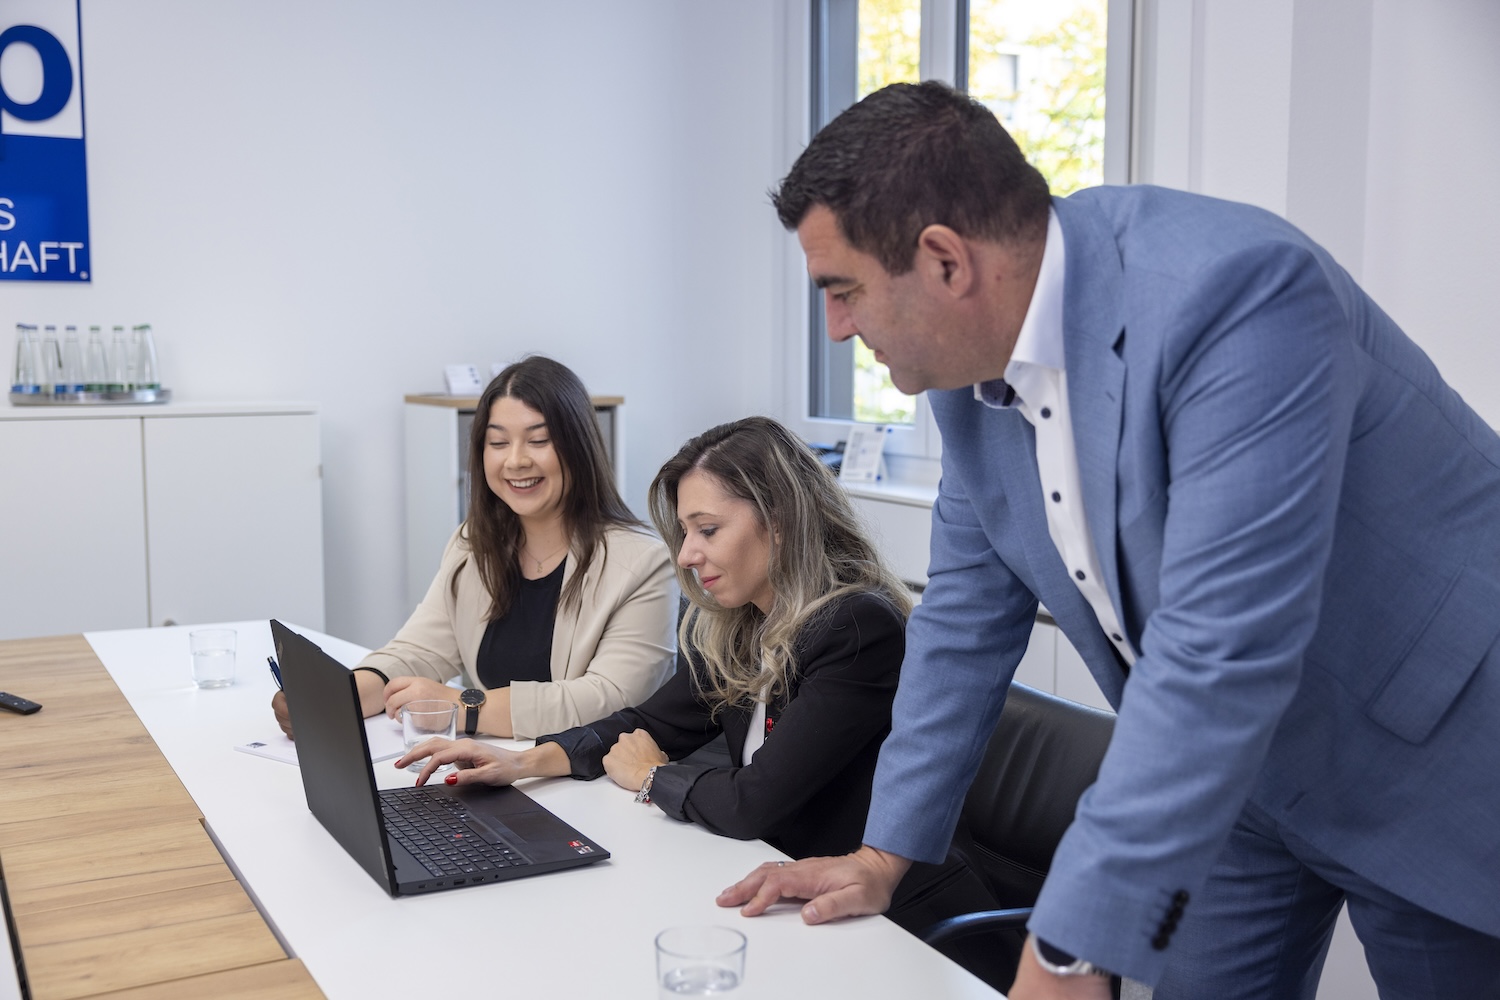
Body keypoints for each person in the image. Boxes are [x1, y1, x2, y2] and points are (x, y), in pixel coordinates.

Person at [717, 81, 1500, 1000]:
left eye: (842, 291)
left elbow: (1220, 650)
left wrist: (1068, 949)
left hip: (1431, 748)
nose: (837, 328)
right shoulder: (965, 386)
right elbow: (963, 626)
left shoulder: (1237, 293)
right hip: (1226, 784)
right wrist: (885, 854)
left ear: (943, 260)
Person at [399, 416, 1003, 958]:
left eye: (707, 530)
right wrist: (524, 761)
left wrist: (653, 777)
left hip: (902, 925)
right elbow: (655, 724)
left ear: (782, 521)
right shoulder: (740, 622)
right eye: (686, 532)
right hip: (788, 895)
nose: (687, 554)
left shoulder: (854, 627)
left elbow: (752, 803)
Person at [273, 355, 677, 740]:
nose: (515, 461)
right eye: (497, 443)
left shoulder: (641, 562)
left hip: (588, 780)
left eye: (538, 441)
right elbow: (419, 651)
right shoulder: (474, 545)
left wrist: (465, 707)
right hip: (489, 764)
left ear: (579, 447)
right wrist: (338, 699)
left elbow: (611, 698)